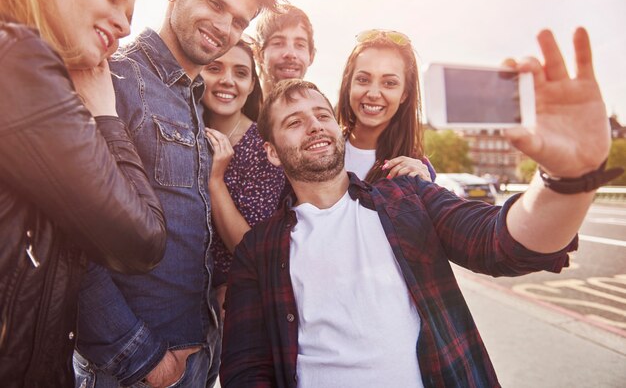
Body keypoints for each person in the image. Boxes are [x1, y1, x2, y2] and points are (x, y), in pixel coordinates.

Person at [220, 27, 622, 387]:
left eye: (321, 115)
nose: (314, 125)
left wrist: (567, 179)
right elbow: (245, 369)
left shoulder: (407, 194)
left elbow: (500, 241)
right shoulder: (259, 251)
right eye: (294, 122)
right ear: (271, 153)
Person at [73, 0, 283, 387]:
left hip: (198, 358)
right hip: (135, 370)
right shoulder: (112, 79)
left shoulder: (192, 98)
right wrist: (145, 360)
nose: (225, 28)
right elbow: (71, 242)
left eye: (239, 21)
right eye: (215, 4)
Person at [0, 0, 167, 386]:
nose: (126, 24)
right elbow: (143, 238)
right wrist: (106, 115)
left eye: (128, 13)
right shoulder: (18, 57)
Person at [201, 39, 286, 319]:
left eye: (240, 73)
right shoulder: (182, 128)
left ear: (251, 85)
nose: (227, 81)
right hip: (181, 299)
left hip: (234, 308)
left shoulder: (263, 147)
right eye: (215, 68)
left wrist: (216, 180)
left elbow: (246, 247)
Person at [337, 29, 435, 182]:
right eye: (363, 79)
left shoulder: (416, 171)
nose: (373, 94)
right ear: (348, 85)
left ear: (404, 94)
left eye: (389, 83)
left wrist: (423, 193)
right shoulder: (319, 150)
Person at [254, 4, 316, 96]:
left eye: (300, 45)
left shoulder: (320, 108)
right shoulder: (234, 108)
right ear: (259, 54)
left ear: (311, 56)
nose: (291, 54)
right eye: (278, 43)